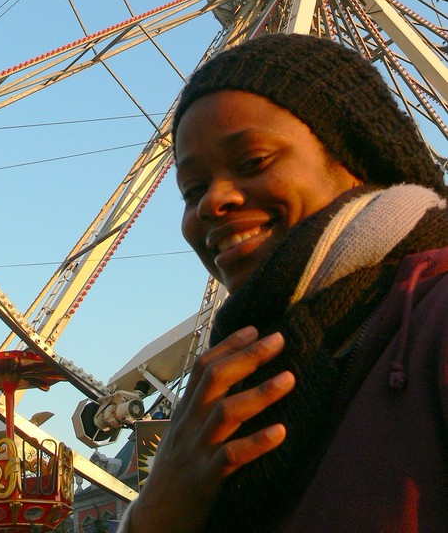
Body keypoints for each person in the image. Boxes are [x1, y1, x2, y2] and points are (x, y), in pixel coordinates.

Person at [119, 33, 448, 532]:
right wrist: (156, 514)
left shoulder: (433, 317)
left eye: (252, 163)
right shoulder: (222, 408)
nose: (213, 202)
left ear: (358, 159)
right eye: (192, 189)